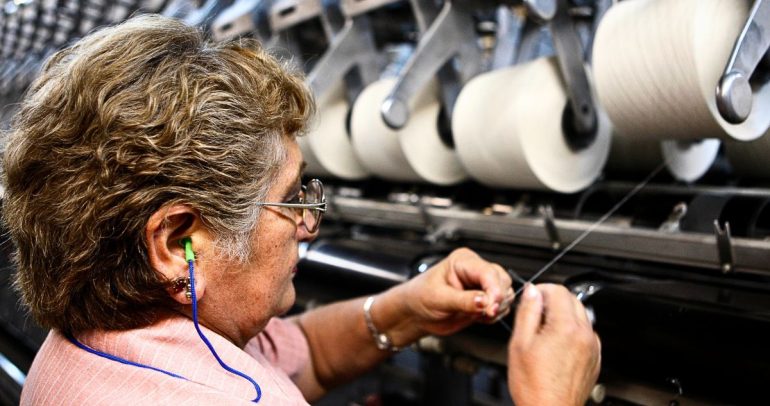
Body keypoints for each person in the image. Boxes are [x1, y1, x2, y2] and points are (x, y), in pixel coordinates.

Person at [2, 14, 600, 405]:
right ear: (177, 240)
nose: (309, 222)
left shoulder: (100, 336)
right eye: (289, 198)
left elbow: (303, 356)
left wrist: (407, 309)